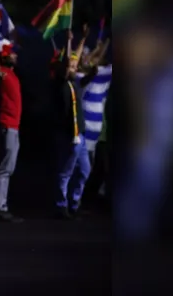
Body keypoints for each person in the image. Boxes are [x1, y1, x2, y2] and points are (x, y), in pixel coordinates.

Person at [51, 30, 99, 219]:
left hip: (81, 136)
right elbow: (65, 64)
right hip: (70, 136)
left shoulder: (74, 83)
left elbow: (81, 72)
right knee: (65, 173)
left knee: (84, 171)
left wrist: (93, 71)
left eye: (74, 65)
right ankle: (61, 206)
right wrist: (69, 42)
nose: (74, 67)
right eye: (70, 66)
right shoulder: (60, 84)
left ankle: (74, 202)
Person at [0, 44, 24, 223]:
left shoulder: (12, 74)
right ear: (4, 57)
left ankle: (0, 205)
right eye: (12, 54)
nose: (15, 56)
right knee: (4, 168)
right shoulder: (2, 72)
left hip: (14, 126)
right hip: (7, 125)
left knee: (7, 168)